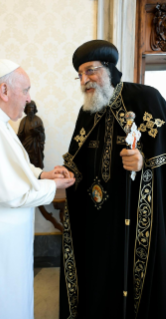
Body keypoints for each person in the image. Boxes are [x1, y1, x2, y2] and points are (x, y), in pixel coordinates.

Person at [0, 59, 75, 319]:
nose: (29, 99)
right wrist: (53, 187)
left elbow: (10, 167)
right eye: (25, 90)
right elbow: (14, 192)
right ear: (5, 91)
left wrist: (42, 173)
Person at [59, 40, 166, 319]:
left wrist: (143, 162)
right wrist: (67, 172)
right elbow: (77, 158)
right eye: (80, 74)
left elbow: (162, 154)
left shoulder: (146, 98)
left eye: (90, 71)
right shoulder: (87, 110)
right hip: (95, 217)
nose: (85, 80)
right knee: (96, 274)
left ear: (108, 68)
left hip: (132, 213)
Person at [18, 100, 45, 169]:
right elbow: (20, 134)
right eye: (29, 108)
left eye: (32, 108)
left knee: (36, 163)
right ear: (26, 109)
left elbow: (42, 134)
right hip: (26, 145)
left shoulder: (38, 120)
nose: (30, 110)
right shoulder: (23, 121)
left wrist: (37, 133)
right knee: (26, 162)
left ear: (34, 108)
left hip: (36, 146)